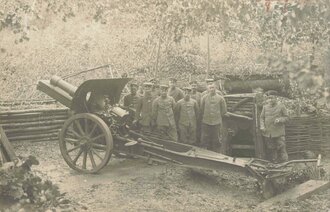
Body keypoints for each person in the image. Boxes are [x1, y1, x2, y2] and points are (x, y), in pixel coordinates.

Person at [260, 90, 289, 163]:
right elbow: (261, 118)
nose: (270, 100)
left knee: (281, 148)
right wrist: (262, 126)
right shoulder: (265, 107)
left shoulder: (281, 106)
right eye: (268, 98)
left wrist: (280, 119)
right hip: (268, 132)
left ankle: (285, 163)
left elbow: (287, 117)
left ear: (276, 98)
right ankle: (274, 163)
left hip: (278, 132)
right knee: (271, 149)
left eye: (272, 98)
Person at [200, 83, 228, 152]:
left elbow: (224, 110)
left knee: (217, 138)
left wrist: (217, 115)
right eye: (210, 88)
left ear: (215, 88)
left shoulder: (220, 98)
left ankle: (217, 152)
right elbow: (201, 109)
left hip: (216, 122)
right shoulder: (204, 98)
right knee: (204, 137)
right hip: (206, 121)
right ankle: (204, 152)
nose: (211, 89)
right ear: (208, 89)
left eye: (213, 88)